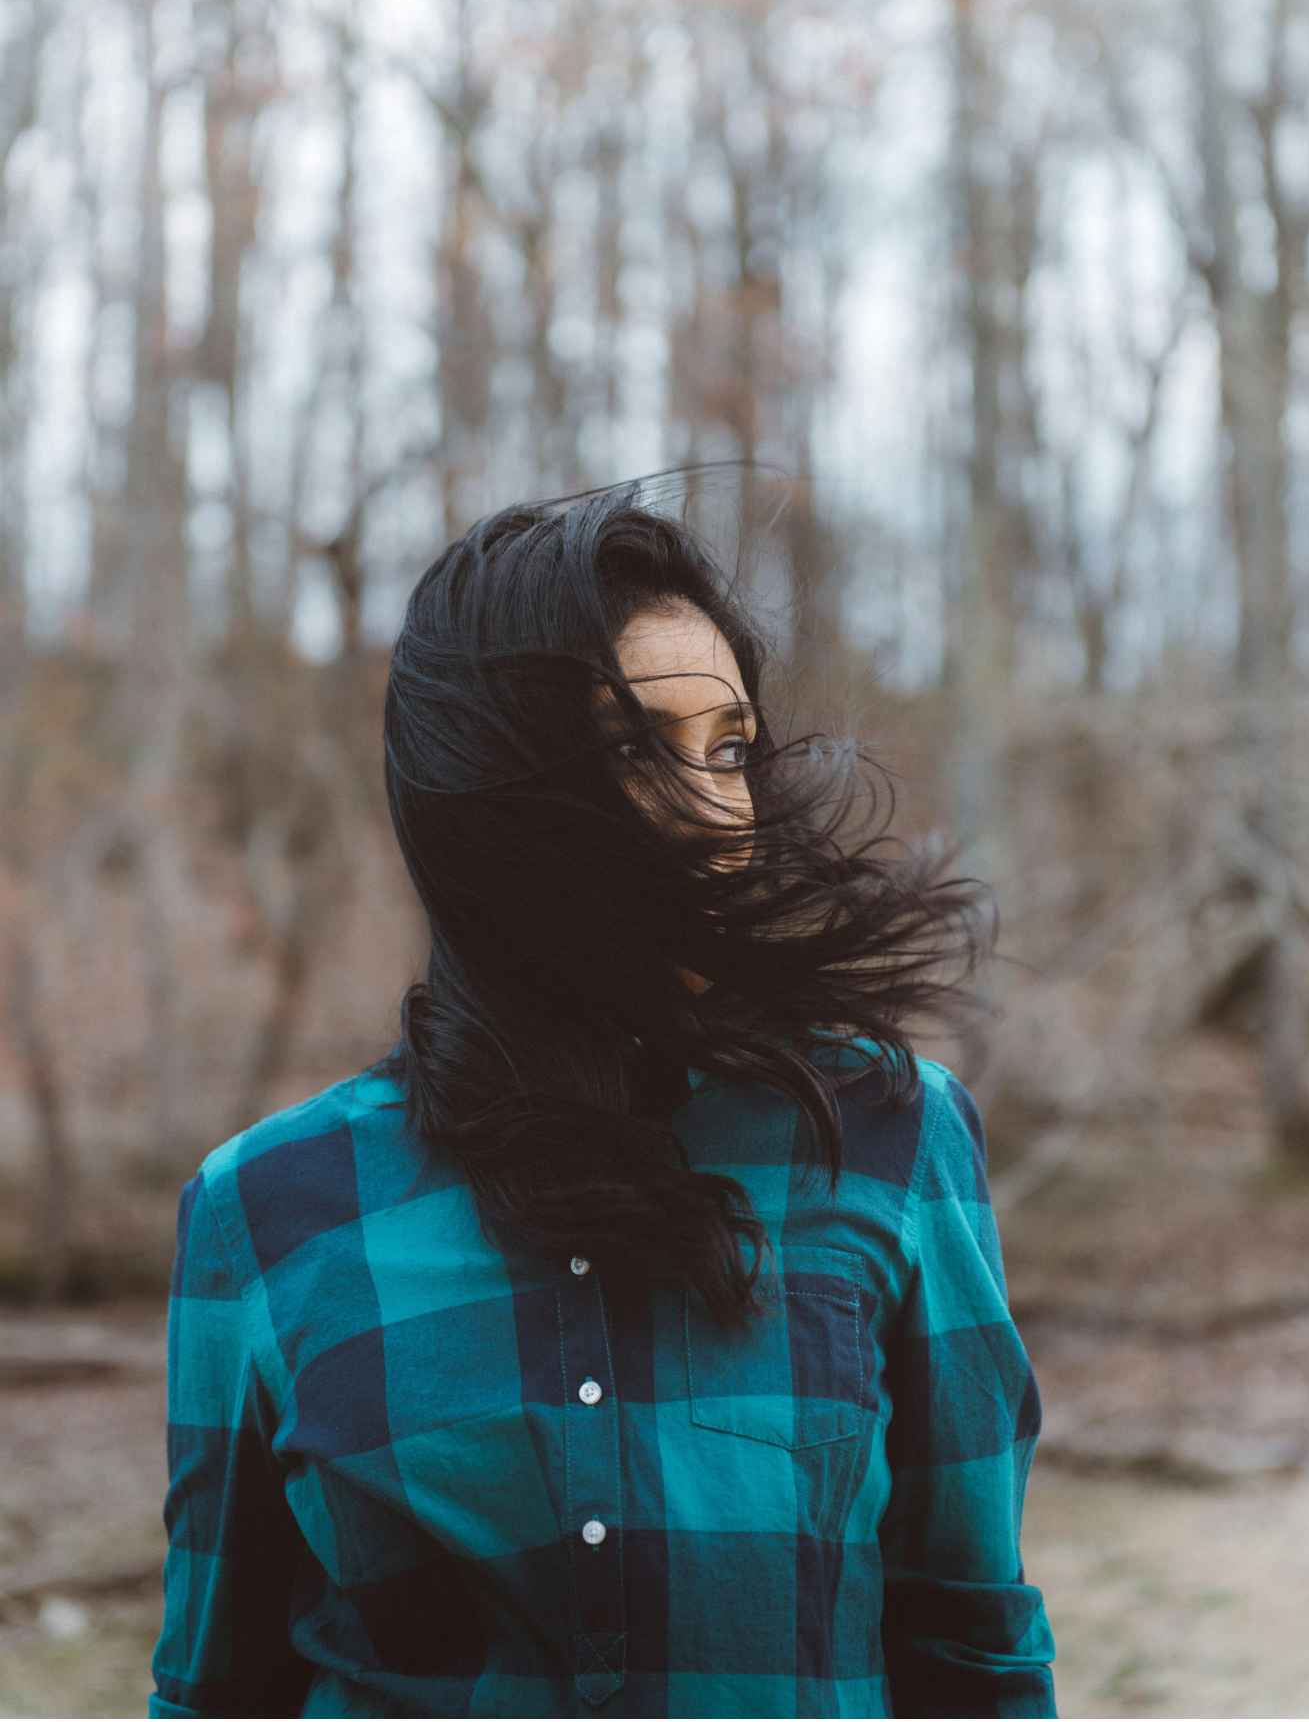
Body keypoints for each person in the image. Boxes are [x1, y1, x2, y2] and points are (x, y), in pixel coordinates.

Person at [148, 473, 1057, 1719]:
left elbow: (974, 1649)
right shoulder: (267, 1208)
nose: (712, 811)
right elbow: (213, 1691)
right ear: (483, 795)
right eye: (633, 749)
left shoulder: (888, 1135)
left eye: (729, 747)